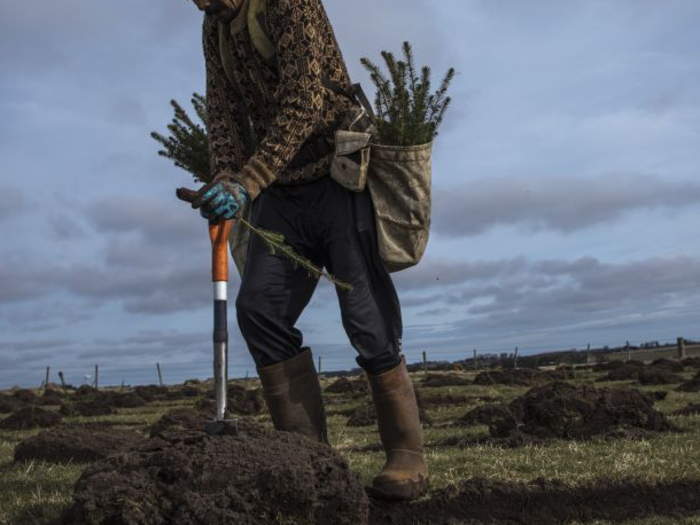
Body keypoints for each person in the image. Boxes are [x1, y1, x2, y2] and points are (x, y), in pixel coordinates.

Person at [189, 0, 428, 500]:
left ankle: (407, 454)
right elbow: (223, 115)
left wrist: (248, 181)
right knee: (259, 309)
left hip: (336, 176)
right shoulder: (214, 28)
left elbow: (305, 100)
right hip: (280, 191)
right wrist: (225, 178)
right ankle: (310, 461)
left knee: (367, 316)